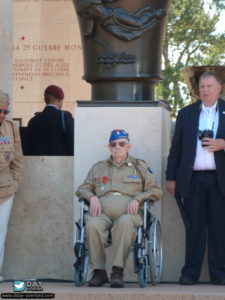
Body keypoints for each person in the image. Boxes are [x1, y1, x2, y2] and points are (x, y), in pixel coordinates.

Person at [76, 129, 162, 288]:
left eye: (121, 143)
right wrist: (92, 197)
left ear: (128, 146)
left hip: (129, 214)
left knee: (124, 223)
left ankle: (117, 271)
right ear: (109, 147)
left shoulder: (140, 167)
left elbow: (156, 191)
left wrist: (138, 198)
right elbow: (82, 189)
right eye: (113, 144)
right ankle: (99, 272)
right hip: (101, 213)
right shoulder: (98, 167)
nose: (117, 147)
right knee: (92, 225)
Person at [166, 71, 225, 285]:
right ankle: (190, 272)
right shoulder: (186, 113)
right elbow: (176, 148)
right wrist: (170, 177)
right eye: (202, 86)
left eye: (210, 86)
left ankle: (220, 273)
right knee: (194, 228)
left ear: (219, 88)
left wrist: (223, 144)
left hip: (220, 181)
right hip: (192, 180)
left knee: (220, 228)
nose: (205, 90)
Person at [0, 90, 24, 283]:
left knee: (0, 233)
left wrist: (14, 183)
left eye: (4, 111)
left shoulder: (11, 128)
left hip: (5, 190)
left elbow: (17, 160)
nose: (2, 115)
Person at [27, 85, 74, 155]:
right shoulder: (65, 117)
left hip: (38, 164)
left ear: (45, 100)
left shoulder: (33, 121)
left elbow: (28, 147)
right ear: (59, 100)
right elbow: (73, 143)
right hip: (62, 164)